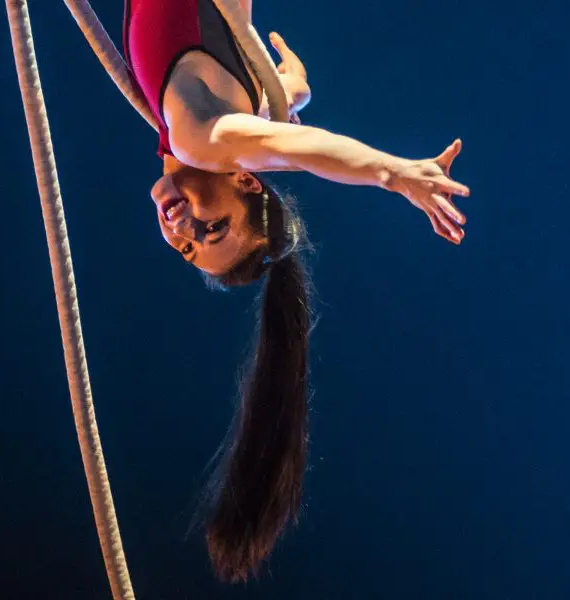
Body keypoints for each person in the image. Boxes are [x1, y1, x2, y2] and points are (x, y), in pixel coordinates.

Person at [122, 0, 472, 583]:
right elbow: (301, 151)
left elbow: (276, 119)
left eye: (190, 247)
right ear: (244, 179)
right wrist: (393, 173)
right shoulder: (204, 140)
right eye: (217, 228)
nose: (184, 230)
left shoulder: (207, 123)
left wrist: (292, 90)